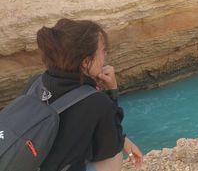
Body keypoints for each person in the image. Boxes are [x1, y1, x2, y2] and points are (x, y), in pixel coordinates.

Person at [21, 18, 143, 171]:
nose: (105, 55)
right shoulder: (96, 101)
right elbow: (111, 146)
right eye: (103, 50)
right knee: (115, 156)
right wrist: (111, 92)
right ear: (86, 62)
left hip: (28, 163)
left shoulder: (35, 82)